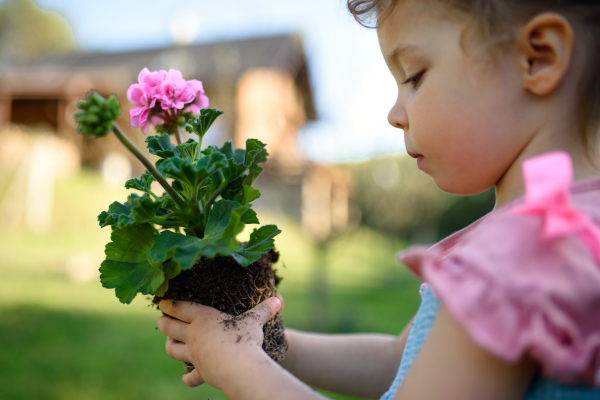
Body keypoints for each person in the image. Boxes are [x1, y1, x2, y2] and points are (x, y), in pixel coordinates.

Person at [156, 0, 600, 398]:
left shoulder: (522, 251)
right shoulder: (561, 229)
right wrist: (264, 340)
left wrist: (236, 362)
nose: (393, 113)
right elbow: (396, 362)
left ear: (537, 57)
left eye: (414, 77)